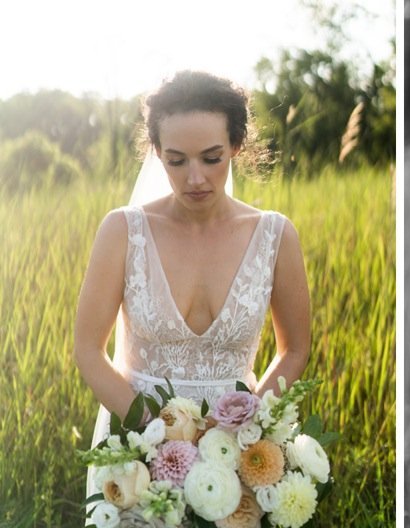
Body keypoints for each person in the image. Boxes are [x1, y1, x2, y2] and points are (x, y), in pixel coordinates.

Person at [74, 71, 310, 499]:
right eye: (177, 161)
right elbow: (89, 350)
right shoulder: (123, 232)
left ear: (236, 146)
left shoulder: (276, 236)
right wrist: (153, 434)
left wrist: (250, 426)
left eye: (211, 157)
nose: (195, 178)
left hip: (237, 450)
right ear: (158, 153)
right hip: (136, 448)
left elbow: (295, 349)